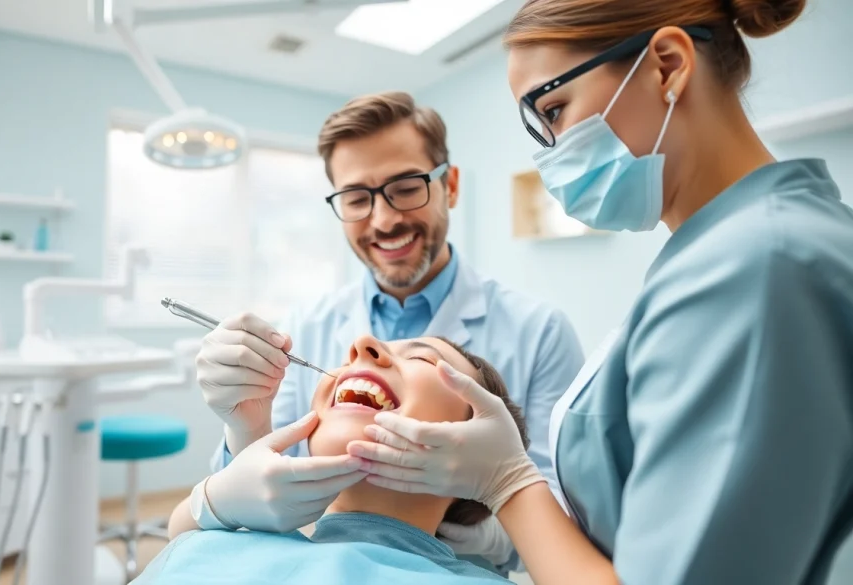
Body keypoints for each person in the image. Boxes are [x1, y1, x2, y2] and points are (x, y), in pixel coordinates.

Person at [347, 1, 853, 584]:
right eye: (539, 128)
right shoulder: (722, 257)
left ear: (666, 66)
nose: (551, 152)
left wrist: (508, 486)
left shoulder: (758, 270)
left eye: (555, 110)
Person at [191, 92, 585, 570]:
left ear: (451, 186)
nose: (384, 219)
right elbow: (238, 505)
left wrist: (427, 509)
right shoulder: (307, 326)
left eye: (405, 187)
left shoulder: (539, 332)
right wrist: (244, 428)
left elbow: (552, 518)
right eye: (357, 198)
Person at [136, 336, 527, 585]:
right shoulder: (206, 547)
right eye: (349, 356)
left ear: (481, 444)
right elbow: (185, 529)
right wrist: (216, 498)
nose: (361, 346)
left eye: (423, 358)